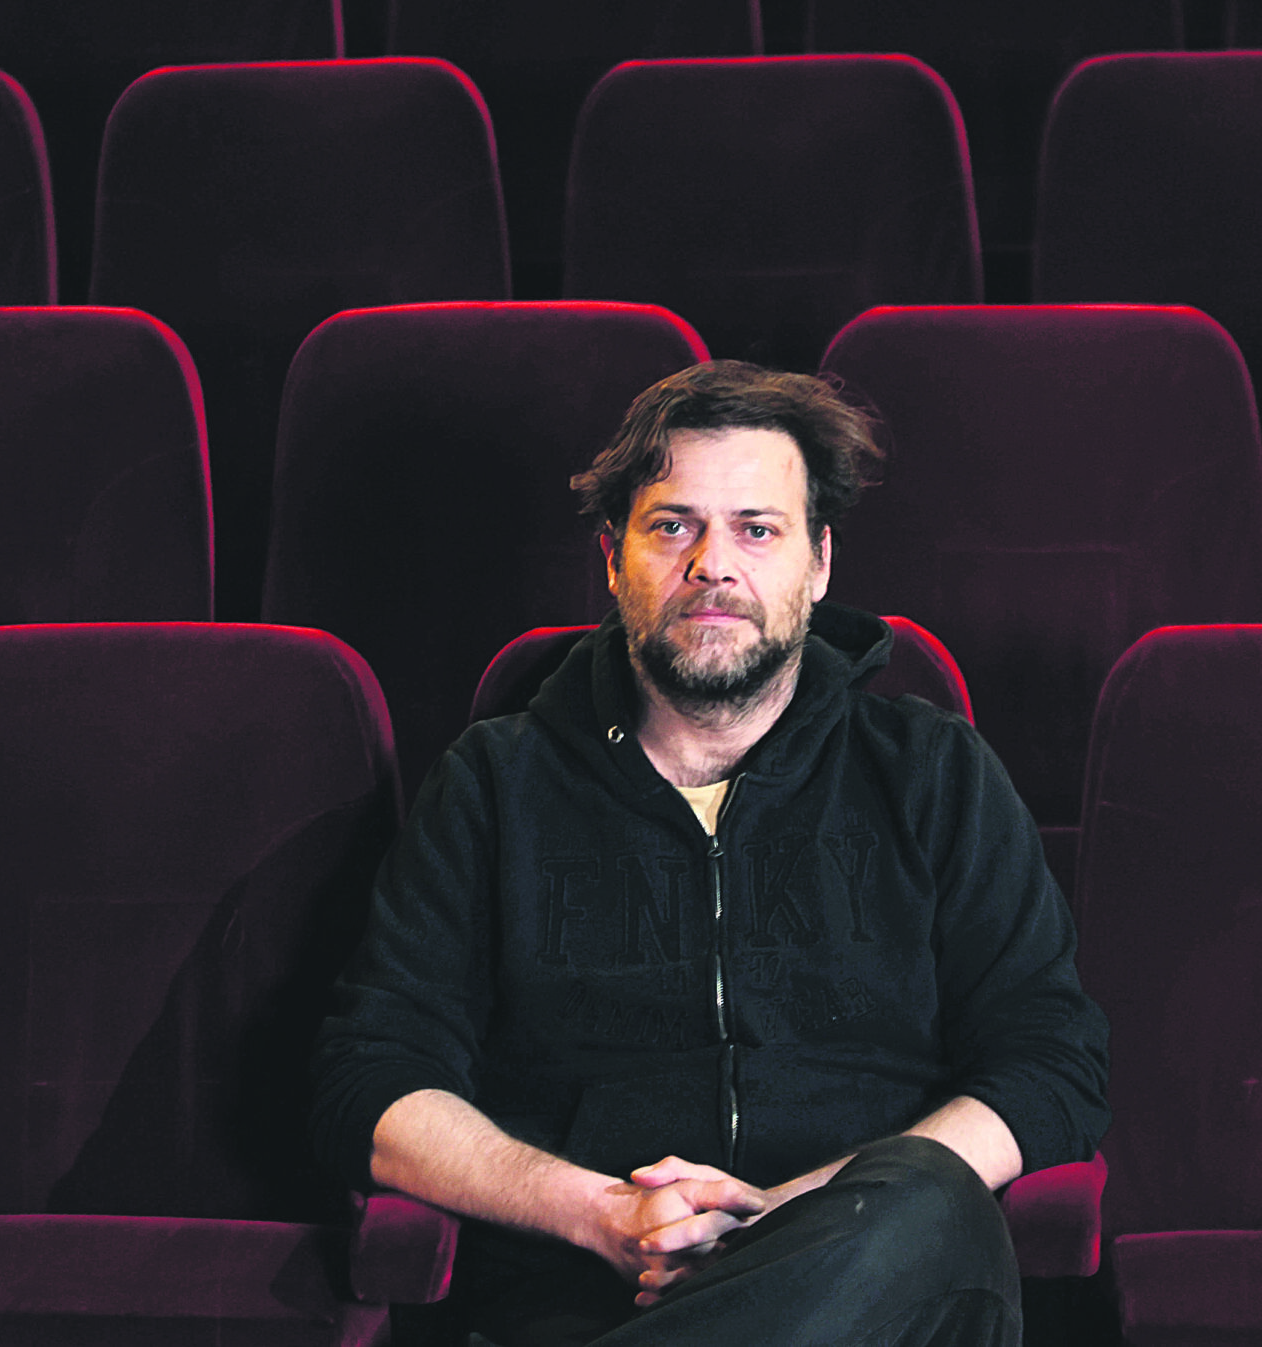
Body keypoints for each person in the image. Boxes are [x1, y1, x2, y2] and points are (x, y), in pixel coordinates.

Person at [308, 360, 1109, 1347]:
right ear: (613, 560)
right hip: (579, 1298)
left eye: (756, 529)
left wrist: (790, 1225)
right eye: (672, 526)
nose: (712, 564)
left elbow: (1052, 1062)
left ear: (819, 562)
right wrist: (601, 1211)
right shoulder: (494, 785)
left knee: (936, 1198)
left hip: (885, 1291)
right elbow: (371, 1076)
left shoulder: (932, 773)